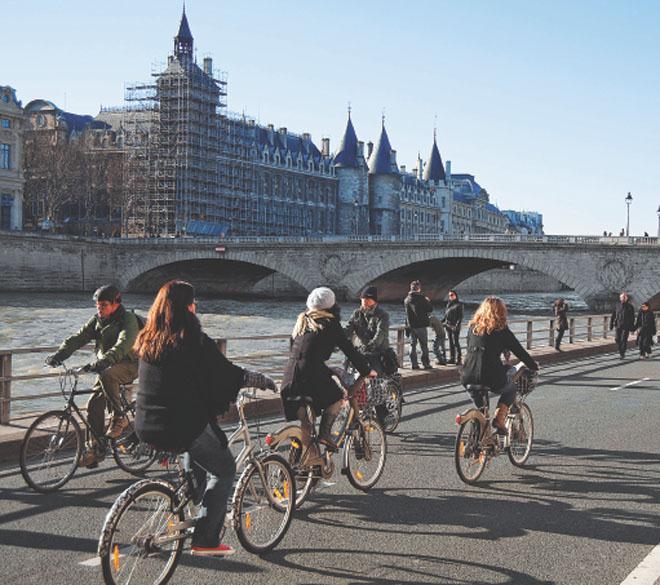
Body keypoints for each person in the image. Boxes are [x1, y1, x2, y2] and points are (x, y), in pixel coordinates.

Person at [133, 280, 276, 557]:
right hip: (179, 424)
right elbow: (226, 373)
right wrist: (258, 379)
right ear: (189, 307)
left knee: (198, 444)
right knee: (224, 469)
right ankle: (206, 539)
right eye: (193, 303)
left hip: (147, 423)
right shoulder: (193, 340)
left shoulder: (148, 339)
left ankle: (196, 493)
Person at [46, 285, 139, 468]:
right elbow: (78, 337)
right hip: (108, 365)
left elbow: (124, 343)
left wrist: (104, 361)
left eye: (104, 305)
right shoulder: (97, 321)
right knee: (93, 405)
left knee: (107, 374)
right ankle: (95, 451)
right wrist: (59, 355)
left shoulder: (128, 319)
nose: (99, 308)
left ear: (115, 304)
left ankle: (118, 417)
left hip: (130, 365)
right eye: (97, 305)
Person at [280, 287, 377, 465]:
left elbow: (298, 352)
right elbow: (349, 349)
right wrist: (366, 370)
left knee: (306, 426)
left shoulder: (302, 320)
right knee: (338, 397)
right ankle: (325, 433)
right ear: (332, 306)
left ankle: (306, 468)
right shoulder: (329, 323)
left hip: (289, 378)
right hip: (311, 377)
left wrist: (325, 367)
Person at [461, 297, 539, 434]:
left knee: (482, 413)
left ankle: (479, 441)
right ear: (501, 312)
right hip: (491, 376)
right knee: (511, 389)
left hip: (467, 375)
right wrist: (533, 366)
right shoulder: (501, 329)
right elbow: (519, 351)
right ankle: (499, 419)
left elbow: (474, 348)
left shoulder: (473, 327)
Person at [345, 285, 398, 419]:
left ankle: (382, 413)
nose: (365, 301)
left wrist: (370, 346)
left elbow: (380, 334)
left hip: (378, 353)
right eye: (363, 298)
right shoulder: (357, 314)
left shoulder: (382, 315)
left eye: (368, 299)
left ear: (374, 301)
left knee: (374, 381)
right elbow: (348, 329)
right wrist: (338, 340)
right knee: (348, 378)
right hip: (361, 352)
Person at [404, 280, 433, 369]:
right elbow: (430, 309)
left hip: (411, 326)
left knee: (412, 345)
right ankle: (426, 363)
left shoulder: (406, 300)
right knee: (424, 345)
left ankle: (414, 364)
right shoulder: (422, 299)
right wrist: (427, 301)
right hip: (421, 326)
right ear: (419, 289)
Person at [610, 292, 636, 359]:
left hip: (626, 326)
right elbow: (613, 315)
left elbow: (632, 318)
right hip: (618, 325)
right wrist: (611, 324)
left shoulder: (630, 307)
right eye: (622, 297)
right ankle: (621, 349)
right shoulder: (617, 306)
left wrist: (632, 327)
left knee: (623, 340)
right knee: (617, 339)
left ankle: (622, 353)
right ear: (620, 298)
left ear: (627, 298)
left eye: (625, 297)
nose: (623, 298)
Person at [443, 290, 464, 365]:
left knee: (456, 342)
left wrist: (457, 325)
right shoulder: (449, 304)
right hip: (448, 326)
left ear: (456, 295)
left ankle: (459, 359)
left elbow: (460, 317)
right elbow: (446, 316)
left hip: (455, 326)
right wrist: (442, 322)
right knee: (450, 342)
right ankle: (452, 358)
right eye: (449, 295)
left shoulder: (459, 305)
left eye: (452, 295)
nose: (451, 297)